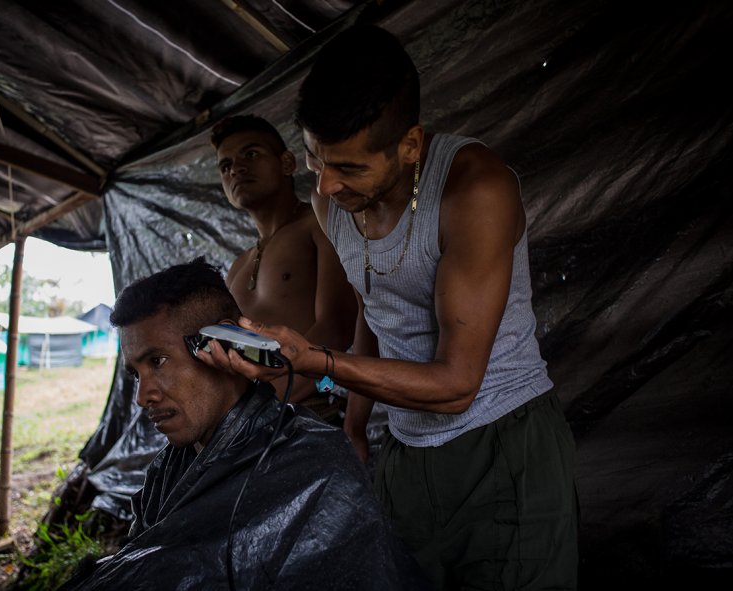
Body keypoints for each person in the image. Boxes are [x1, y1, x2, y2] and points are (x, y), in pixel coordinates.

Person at [198, 25, 578, 590]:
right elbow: (376, 312)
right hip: (403, 446)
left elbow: (458, 384)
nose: (325, 185)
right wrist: (355, 426)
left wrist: (318, 362)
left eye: (349, 167)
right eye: (312, 157)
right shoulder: (329, 202)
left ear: (410, 145)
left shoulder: (474, 190)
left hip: (503, 441)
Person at [58, 257, 426, 590]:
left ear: (220, 345)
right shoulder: (167, 470)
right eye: (136, 374)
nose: (143, 396)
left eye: (157, 361)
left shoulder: (316, 465)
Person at [210, 114, 357, 424]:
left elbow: (339, 327)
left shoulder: (318, 225)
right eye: (225, 166)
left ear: (288, 163)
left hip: (312, 409)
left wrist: (260, 406)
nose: (236, 168)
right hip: (250, 419)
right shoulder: (239, 266)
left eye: (251, 154)